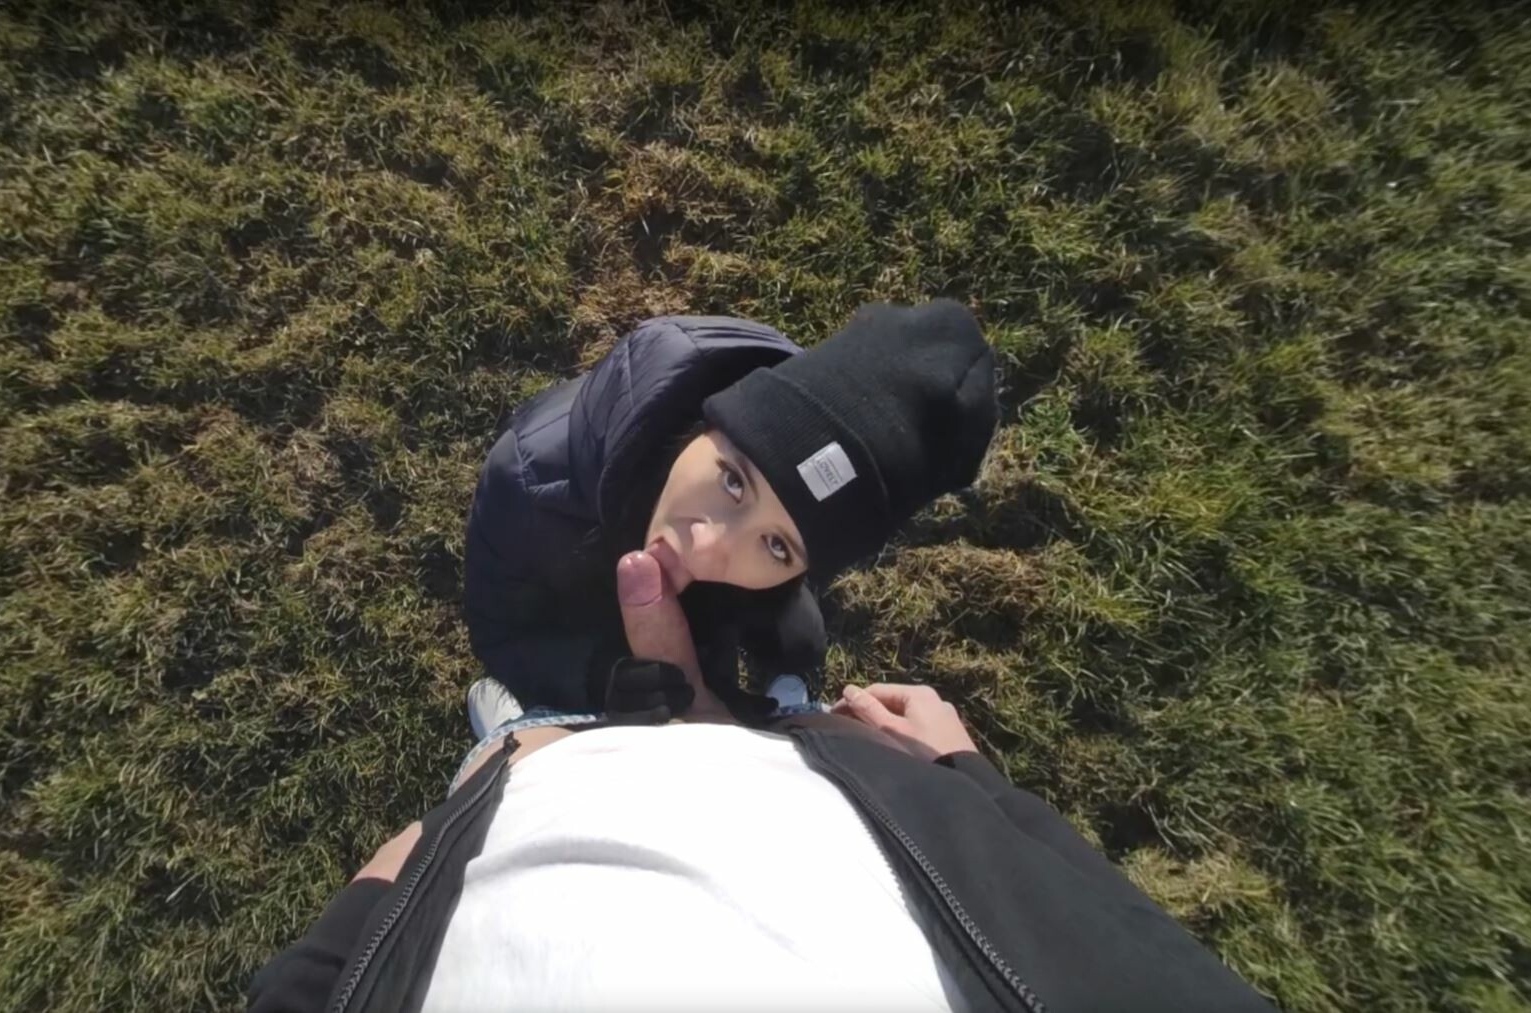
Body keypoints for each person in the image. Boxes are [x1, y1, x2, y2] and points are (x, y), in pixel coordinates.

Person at [247, 549, 1277, 1013]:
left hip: (520, 836)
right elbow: (1112, 926)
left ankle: (556, 725)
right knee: (815, 737)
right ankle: (770, 702)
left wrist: (442, 830)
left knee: (518, 752)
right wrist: (961, 769)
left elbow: (304, 987)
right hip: (864, 840)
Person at [462, 300, 1000, 727]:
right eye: (733, 481)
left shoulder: (759, 577)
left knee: (797, 639)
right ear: (710, 421)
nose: (706, 548)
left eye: (778, 545)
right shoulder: (530, 482)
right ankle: (524, 731)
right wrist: (596, 677)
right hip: (581, 621)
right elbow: (502, 630)